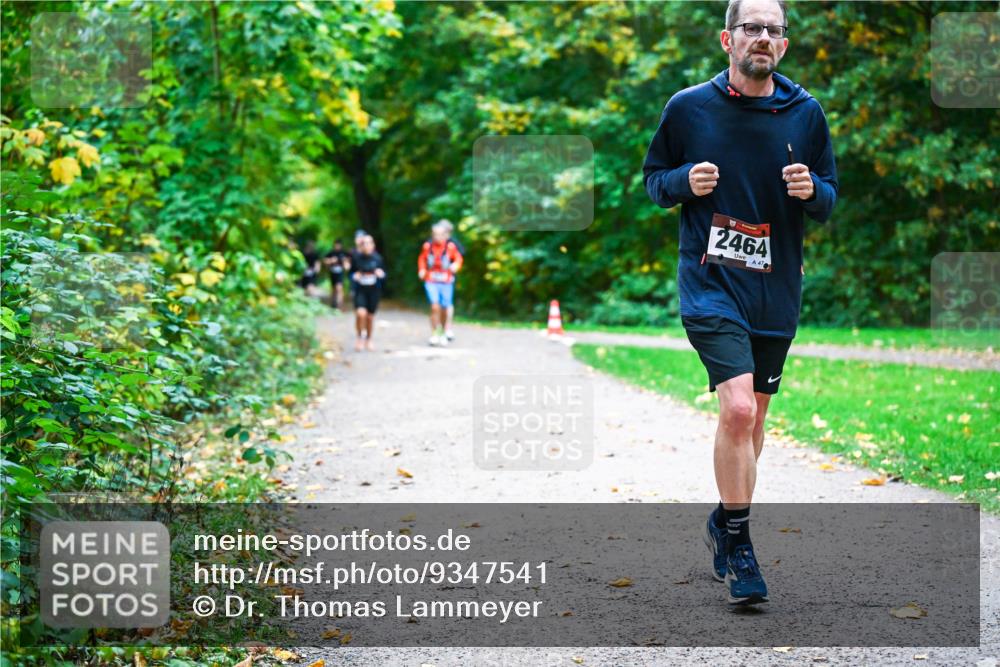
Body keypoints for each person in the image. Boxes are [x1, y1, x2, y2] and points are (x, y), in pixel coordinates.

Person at [642, 0, 838, 606]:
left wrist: (812, 191)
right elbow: (653, 180)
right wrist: (682, 183)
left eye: (773, 30)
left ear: (783, 44)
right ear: (727, 39)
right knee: (738, 413)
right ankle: (743, 546)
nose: (762, 37)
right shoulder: (688, 108)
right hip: (710, 281)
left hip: (775, 289)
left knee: (754, 419)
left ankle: (723, 518)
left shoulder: (805, 113)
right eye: (751, 27)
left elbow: (830, 197)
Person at [417, 221, 463, 346]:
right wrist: (422, 270)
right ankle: (434, 333)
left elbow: (458, 258)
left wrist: (455, 265)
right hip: (431, 280)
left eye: (440, 235)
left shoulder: (451, 247)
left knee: (444, 308)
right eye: (435, 235)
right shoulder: (427, 246)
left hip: (446, 281)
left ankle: (442, 331)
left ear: (445, 235)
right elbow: (422, 259)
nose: (437, 237)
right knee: (434, 306)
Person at [351, 234, 385, 352]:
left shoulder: (378, 258)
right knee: (361, 314)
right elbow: (351, 273)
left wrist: (381, 274)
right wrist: (355, 276)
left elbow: (384, 275)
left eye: (369, 243)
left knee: (370, 317)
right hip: (360, 291)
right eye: (364, 243)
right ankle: (360, 337)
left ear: (373, 245)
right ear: (361, 245)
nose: (367, 245)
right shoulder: (356, 258)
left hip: (373, 292)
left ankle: (369, 339)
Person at [437, 219, 465, 342]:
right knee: (436, 304)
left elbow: (461, 255)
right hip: (434, 279)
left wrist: (454, 265)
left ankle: (447, 327)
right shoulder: (432, 242)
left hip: (448, 278)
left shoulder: (453, 244)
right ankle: (438, 327)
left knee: (447, 304)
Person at [324, 238, 349, 311]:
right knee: (333, 289)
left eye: (338, 245)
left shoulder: (343, 253)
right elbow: (325, 261)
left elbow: (348, 261)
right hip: (332, 272)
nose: (337, 246)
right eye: (336, 245)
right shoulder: (331, 253)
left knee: (339, 288)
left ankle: (340, 305)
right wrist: (331, 260)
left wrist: (346, 264)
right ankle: (333, 304)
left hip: (340, 272)